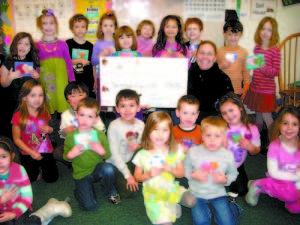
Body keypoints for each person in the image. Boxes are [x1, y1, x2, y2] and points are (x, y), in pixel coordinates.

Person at [133, 111, 196, 225]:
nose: (160, 134)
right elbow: (137, 177)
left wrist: (170, 169)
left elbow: (180, 173)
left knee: (192, 201)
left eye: (165, 130)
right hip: (154, 196)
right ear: (148, 131)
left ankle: (174, 205)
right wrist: (148, 175)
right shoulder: (143, 154)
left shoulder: (173, 151)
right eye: (155, 129)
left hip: (171, 189)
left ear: (170, 133)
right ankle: (167, 210)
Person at [63, 97, 120, 211]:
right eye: (82, 115)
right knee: (89, 206)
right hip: (81, 174)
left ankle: (109, 192)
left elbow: (107, 155)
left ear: (96, 119)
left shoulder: (99, 134)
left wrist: (101, 151)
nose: (85, 120)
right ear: (76, 115)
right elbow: (66, 156)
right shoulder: (70, 136)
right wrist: (71, 154)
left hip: (96, 170)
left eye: (90, 116)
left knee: (108, 168)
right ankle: (80, 190)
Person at [0, 136, 72, 225]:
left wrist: (15, 213)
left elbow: (27, 197)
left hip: (19, 207)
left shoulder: (19, 170)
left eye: (3, 156)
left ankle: (49, 210)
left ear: (12, 156)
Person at [184, 116, 241, 225]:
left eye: (217, 136)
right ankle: (211, 211)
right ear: (202, 136)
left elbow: (233, 173)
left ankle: (234, 207)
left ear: (224, 138)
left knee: (227, 223)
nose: (212, 139)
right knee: (201, 222)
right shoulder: (193, 152)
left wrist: (225, 180)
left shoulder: (227, 155)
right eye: (208, 135)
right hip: (198, 194)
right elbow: (186, 169)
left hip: (218, 194)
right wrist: (192, 175)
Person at [246, 106, 300, 213]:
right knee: (290, 194)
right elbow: (274, 172)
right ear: (279, 124)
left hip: (296, 180)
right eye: (285, 123)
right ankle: (259, 185)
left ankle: (292, 196)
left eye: (294, 124)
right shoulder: (275, 147)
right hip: (279, 179)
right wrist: (296, 177)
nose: (289, 127)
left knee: (295, 208)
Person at [11, 79, 58, 183]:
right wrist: (31, 152)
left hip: (45, 149)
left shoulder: (44, 111)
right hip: (28, 152)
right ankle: (35, 171)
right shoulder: (18, 116)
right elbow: (16, 139)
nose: (37, 99)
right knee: (31, 178)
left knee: (52, 179)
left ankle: (45, 167)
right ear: (24, 97)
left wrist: (50, 130)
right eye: (33, 95)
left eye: (40, 95)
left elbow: (50, 129)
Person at [218, 92, 260, 197]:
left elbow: (256, 150)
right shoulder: (220, 127)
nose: (229, 115)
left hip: (236, 165)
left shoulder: (251, 129)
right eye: (224, 113)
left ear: (240, 108)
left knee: (241, 191)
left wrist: (250, 147)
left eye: (231, 110)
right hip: (218, 164)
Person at [243, 17, 280, 135]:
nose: (265, 32)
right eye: (263, 29)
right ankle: (258, 130)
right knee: (258, 110)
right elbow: (254, 65)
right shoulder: (257, 48)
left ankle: (274, 135)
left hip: (266, 89)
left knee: (266, 114)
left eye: (269, 30)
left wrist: (265, 69)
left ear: (273, 33)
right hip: (256, 86)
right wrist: (249, 67)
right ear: (259, 30)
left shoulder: (275, 50)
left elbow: (276, 71)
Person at [53, 81, 105, 162]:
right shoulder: (65, 115)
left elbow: (102, 130)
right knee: (57, 152)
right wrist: (66, 131)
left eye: (80, 95)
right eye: (73, 96)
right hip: (75, 146)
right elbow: (62, 134)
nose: (77, 99)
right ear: (67, 100)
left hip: (92, 144)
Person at [0, 32, 40, 139]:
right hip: (12, 103)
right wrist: (10, 77)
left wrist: (37, 77)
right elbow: (3, 83)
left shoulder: (33, 61)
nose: (23, 46)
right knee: (14, 130)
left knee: (29, 129)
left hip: (29, 103)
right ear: (15, 45)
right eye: (20, 43)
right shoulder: (8, 61)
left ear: (30, 47)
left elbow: (40, 85)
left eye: (26, 44)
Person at [36, 9, 75, 114]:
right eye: (45, 23)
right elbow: (37, 65)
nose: (48, 26)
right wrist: (36, 80)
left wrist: (72, 80)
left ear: (56, 25)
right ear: (40, 26)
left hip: (61, 81)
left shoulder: (62, 44)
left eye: (51, 23)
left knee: (63, 105)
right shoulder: (37, 45)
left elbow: (68, 63)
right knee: (48, 106)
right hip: (46, 82)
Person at [107, 89, 144, 198]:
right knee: (128, 193)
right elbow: (114, 155)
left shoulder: (141, 125)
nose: (127, 110)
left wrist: (139, 145)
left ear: (138, 108)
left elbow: (145, 144)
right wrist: (128, 176)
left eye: (131, 105)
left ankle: (138, 174)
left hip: (132, 159)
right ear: (117, 109)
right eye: (123, 106)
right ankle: (116, 178)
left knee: (147, 148)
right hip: (118, 163)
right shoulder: (114, 126)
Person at [188, 40, 234, 123]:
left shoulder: (223, 79)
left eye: (209, 54)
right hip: (189, 121)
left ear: (215, 58)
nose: (205, 57)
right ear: (196, 55)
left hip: (213, 124)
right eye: (202, 53)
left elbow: (228, 110)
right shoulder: (187, 75)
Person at [217, 20, 250, 99]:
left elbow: (246, 73)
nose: (233, 38)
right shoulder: (219, 51)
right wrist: (221, 66)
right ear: (224, 34)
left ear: (241, 35)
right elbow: (215, 71)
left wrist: (246, 90)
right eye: (230, 35)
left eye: (236, 35)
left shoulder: (244, 52)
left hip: (237, 91)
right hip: (222, 90)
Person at [66, 14, 95, 98]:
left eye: (83, 27)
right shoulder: (68, 44)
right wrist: (79, 60)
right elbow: (65, 62)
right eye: (77, 27)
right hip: (73, 81)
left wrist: (95, 81)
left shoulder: (90, 46)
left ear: (86, 29)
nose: (80, 29)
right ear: (72, 28)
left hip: (87, 81)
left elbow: (92, 65)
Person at [91, 10, 118, 99]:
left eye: (111, 25)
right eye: (105, 25)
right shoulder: (98, 43)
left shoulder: (118, 43)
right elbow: (93, 61)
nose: (108, 28)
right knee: (102, 100)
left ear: (115, 28)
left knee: (114, 98)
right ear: (101, 28)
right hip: (101, 77)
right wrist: (102, 54)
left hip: (115, 76)